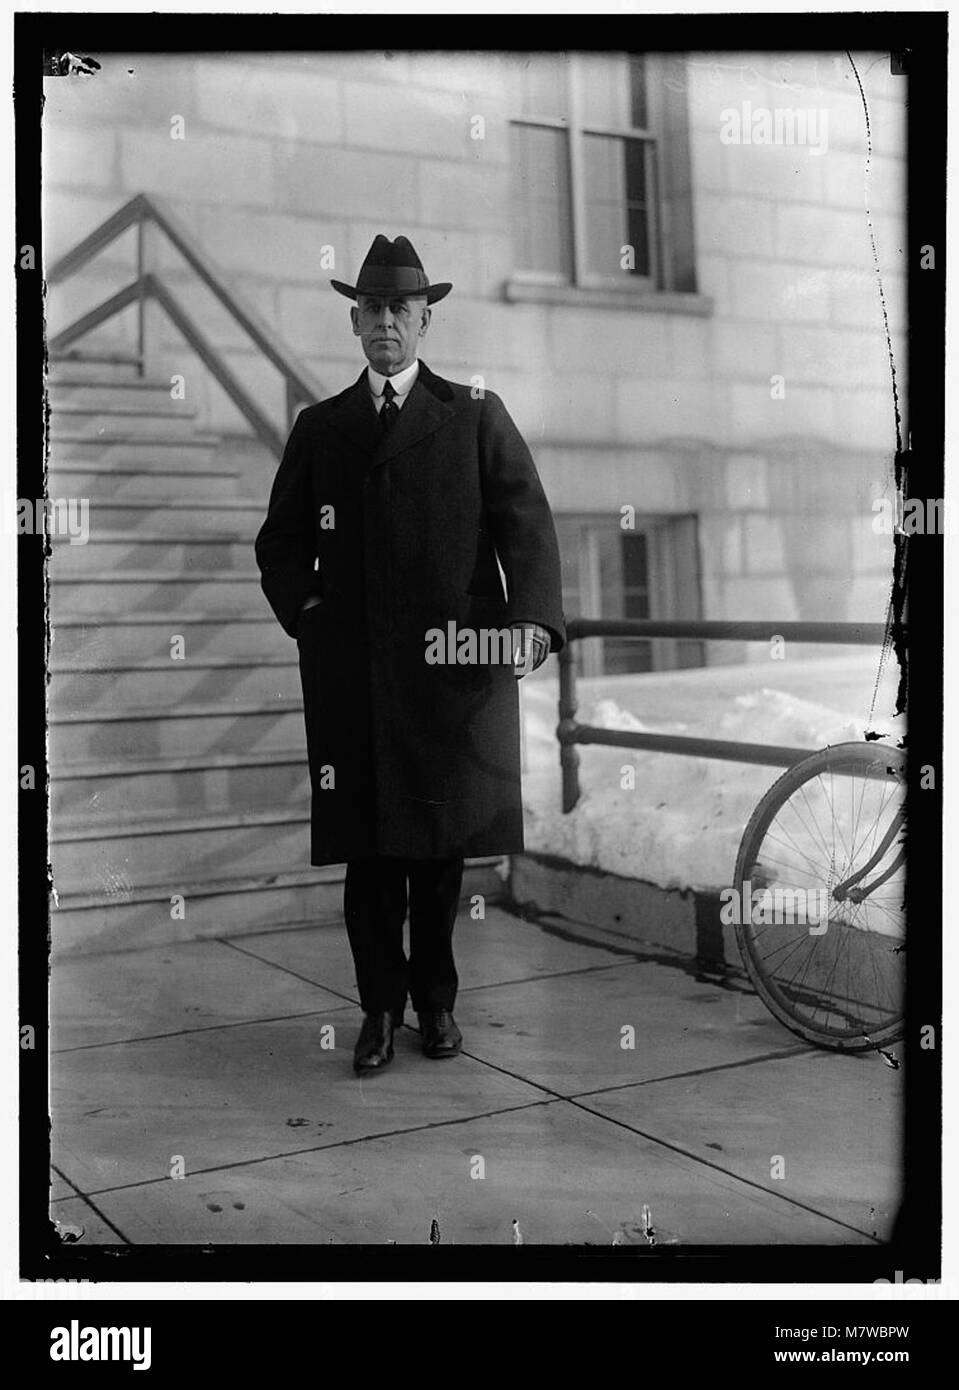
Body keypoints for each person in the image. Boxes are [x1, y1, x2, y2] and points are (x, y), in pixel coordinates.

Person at [255, 235, 565, 1076]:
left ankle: (437, 1006)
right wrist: (309, 612)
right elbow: (279, 542)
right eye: (371, 308)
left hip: (450, 672)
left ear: (425, 320)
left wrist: (532, 623)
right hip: (353, 678)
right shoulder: (321, 428)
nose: (385, 322)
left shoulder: (473, 413)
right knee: (369, 860)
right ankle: (378, 1015)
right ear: (354, 321)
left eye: (401, 308)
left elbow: (524, 523)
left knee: (437, 857)